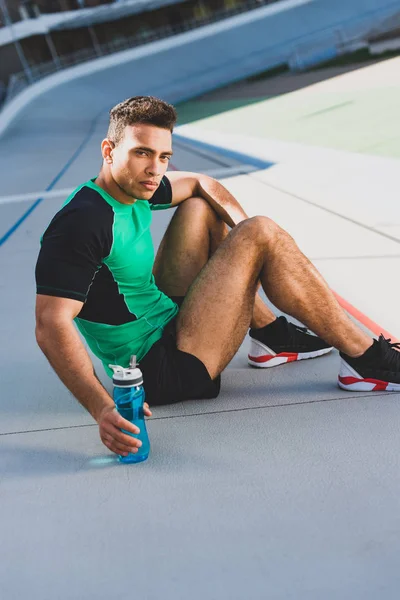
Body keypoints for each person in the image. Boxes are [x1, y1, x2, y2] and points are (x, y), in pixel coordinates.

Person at [35, 96, 400, 459]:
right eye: (142, 153)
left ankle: (270, 334)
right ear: (109, 150)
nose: (155, 169)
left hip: (165, 318)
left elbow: (199, 182)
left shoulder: (135, 189)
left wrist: (251, 257)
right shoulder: (81, 223)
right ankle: (365, 359)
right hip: (158, 367)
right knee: (261, 231)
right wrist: (102, 408)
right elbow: (50, 324)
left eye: (164, 157)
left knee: (200, 207)